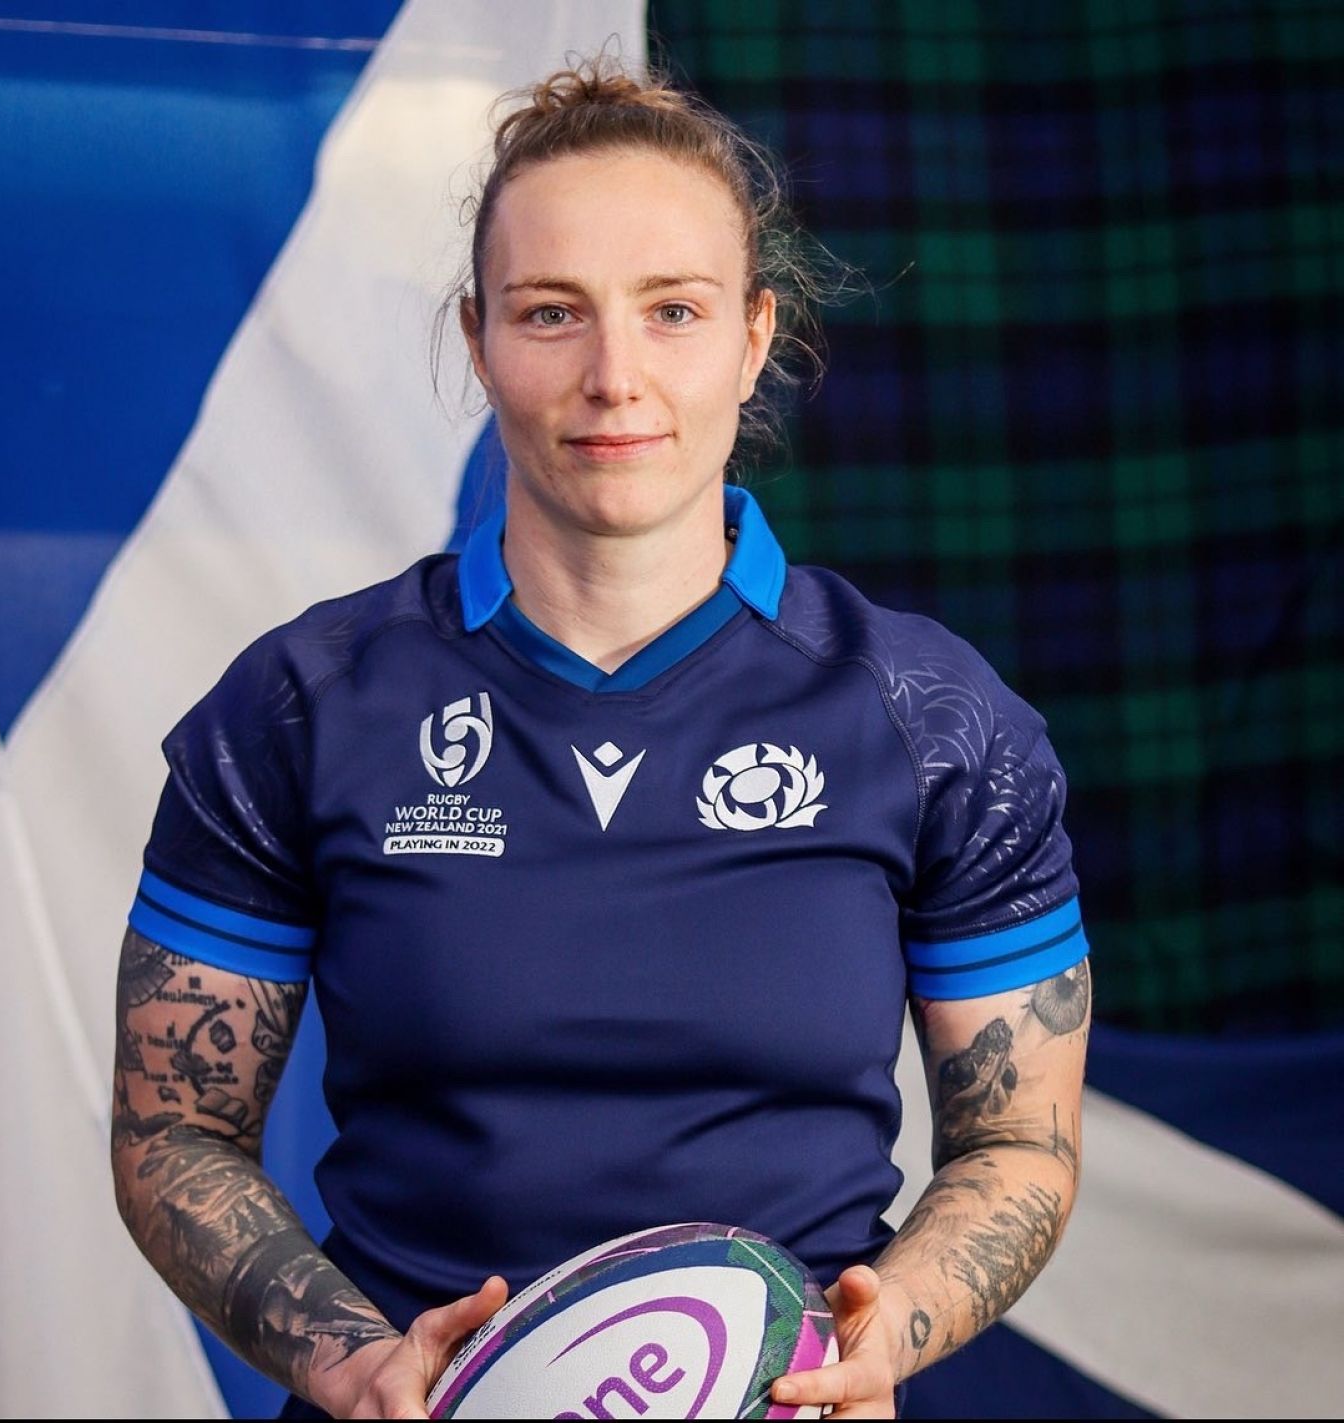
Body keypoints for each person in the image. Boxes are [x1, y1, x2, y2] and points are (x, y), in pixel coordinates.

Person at [111, 57, 1090, 1420]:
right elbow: (174, 1132)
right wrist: (350, 1358)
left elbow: (1020, 1145)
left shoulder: (931, 721)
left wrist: (892, 1330)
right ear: (478, 338)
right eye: (552, 313)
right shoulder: (302, 705)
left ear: (754, 341)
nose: (614, 376)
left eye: (673, 311)